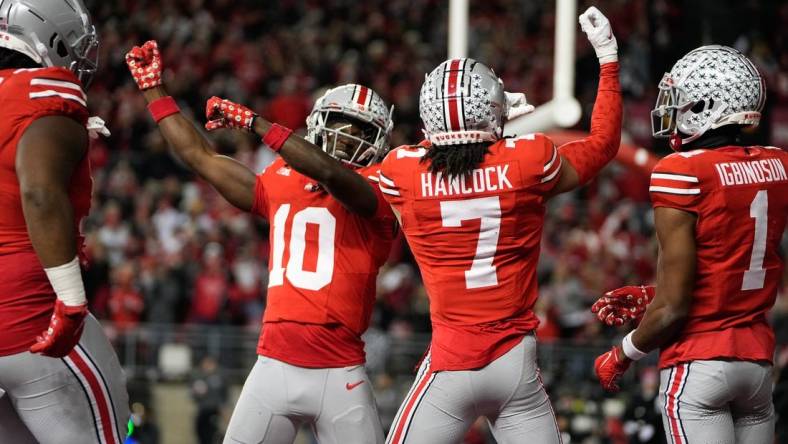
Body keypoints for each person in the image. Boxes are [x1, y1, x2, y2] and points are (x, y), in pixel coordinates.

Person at [125, 40, 397, 444]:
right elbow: (201, 157)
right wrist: (154, 92)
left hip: (341, 371)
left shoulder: (381, 188)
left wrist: (255, 123)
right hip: (274, 364)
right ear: (319, 123)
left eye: (361, 131)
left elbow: (335, 176)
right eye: (341, 125)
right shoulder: (281, 177)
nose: (347, 139)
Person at [377, 6, 622, 444]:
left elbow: (428, 157)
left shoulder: (403, 169)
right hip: (516, 365)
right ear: (490, 109)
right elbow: (602, 144)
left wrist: (479, 125)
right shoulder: (528, 159)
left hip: (449, 363)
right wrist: (607, 58)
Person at [592, 45, 786, 444]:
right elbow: (728, 262)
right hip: (756, 366)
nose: (672, 111)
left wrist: (623, 353)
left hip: (699, 364)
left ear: (708, 105)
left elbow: (675, 308)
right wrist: (655, 293)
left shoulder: (682, 172)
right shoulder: (777, 165)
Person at [0, 1, 130, 443]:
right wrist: (71, 303)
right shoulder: (45, 93)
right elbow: (38, 192)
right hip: (32, 319)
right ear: (50, 39)